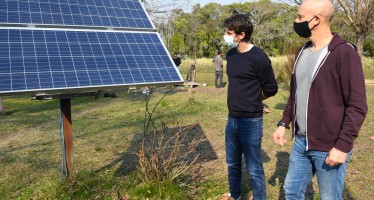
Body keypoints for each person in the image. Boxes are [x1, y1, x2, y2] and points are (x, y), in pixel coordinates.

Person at [272, 0, 368, 199]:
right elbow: (296, 94)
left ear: (316, 20)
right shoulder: (301, 52)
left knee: (329, 197)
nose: (295, 21)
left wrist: (342, 146)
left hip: (329, 145)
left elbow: (357, 106)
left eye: (299, 17)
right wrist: (283, 123)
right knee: (291, 191)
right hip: (301, 142)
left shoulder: (344, 53)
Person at [223, 13, 278, 200]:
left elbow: (271, 88)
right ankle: (235, 195)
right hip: (231, 120)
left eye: (230, 33)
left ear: (242, 34)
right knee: (232, 163)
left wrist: (255, 100)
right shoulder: (230, 55)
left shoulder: (259, 57)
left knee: (254, 167)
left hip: (251, 121)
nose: (226, 35)